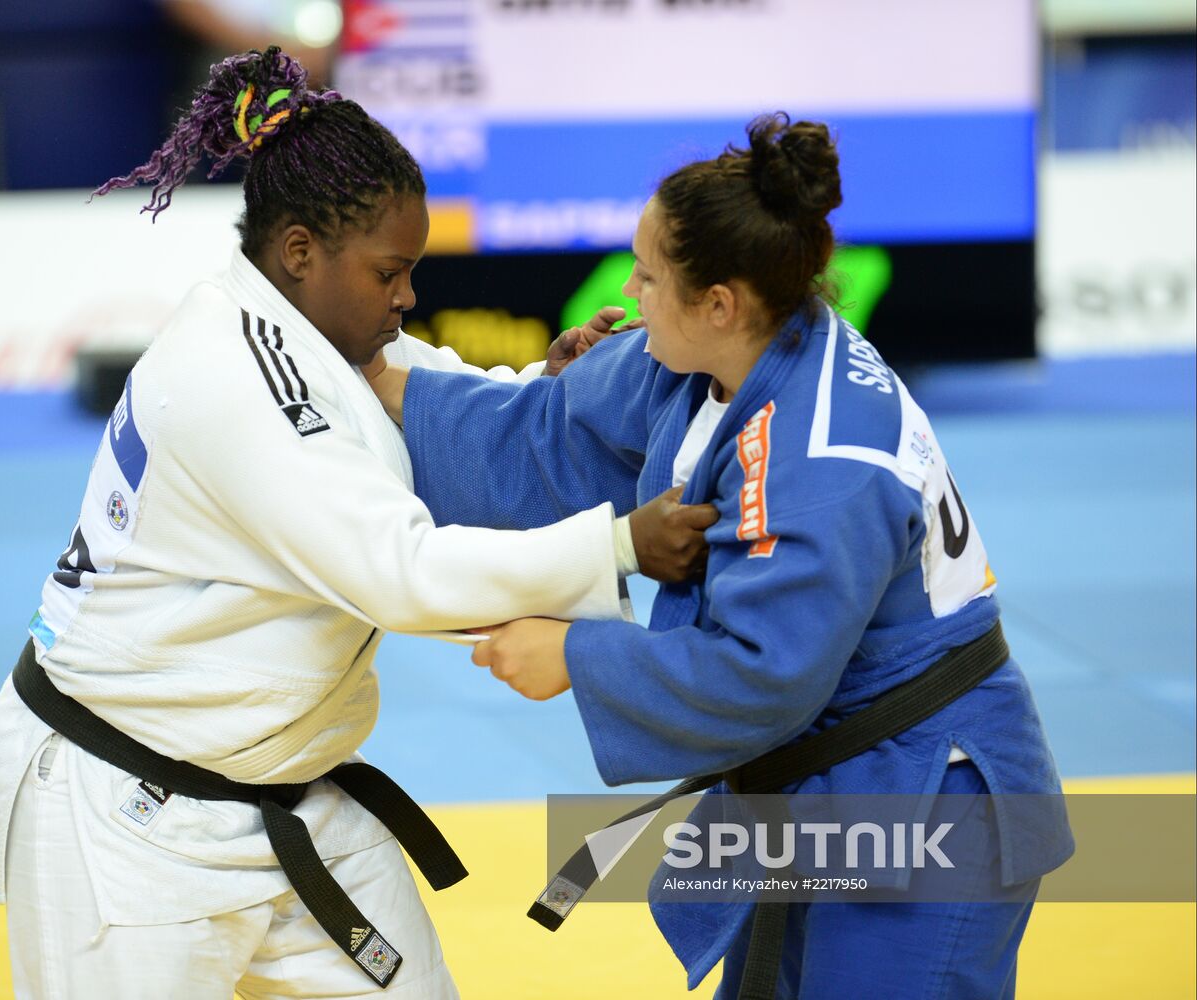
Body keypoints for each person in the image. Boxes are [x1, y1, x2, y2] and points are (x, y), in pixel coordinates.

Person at [0, 47, 716, 1000]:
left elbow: (437, 406)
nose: (406, 295)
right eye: (390, 273)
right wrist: (620, 542)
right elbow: (397, 573)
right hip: (126, 815)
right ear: (298, 253)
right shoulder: (225, 375)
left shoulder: (324, 335)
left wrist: (545, 390)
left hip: (288, 788)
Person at [365, 114, 1074, 999]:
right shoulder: (712, 355)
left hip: (929, 798)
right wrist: (374, 383)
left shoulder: (824, 462)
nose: (628, 289)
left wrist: (574, 658)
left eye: (647, 276)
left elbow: (760, 676)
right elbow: (543, 436)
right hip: (827, 777)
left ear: (717, 300)